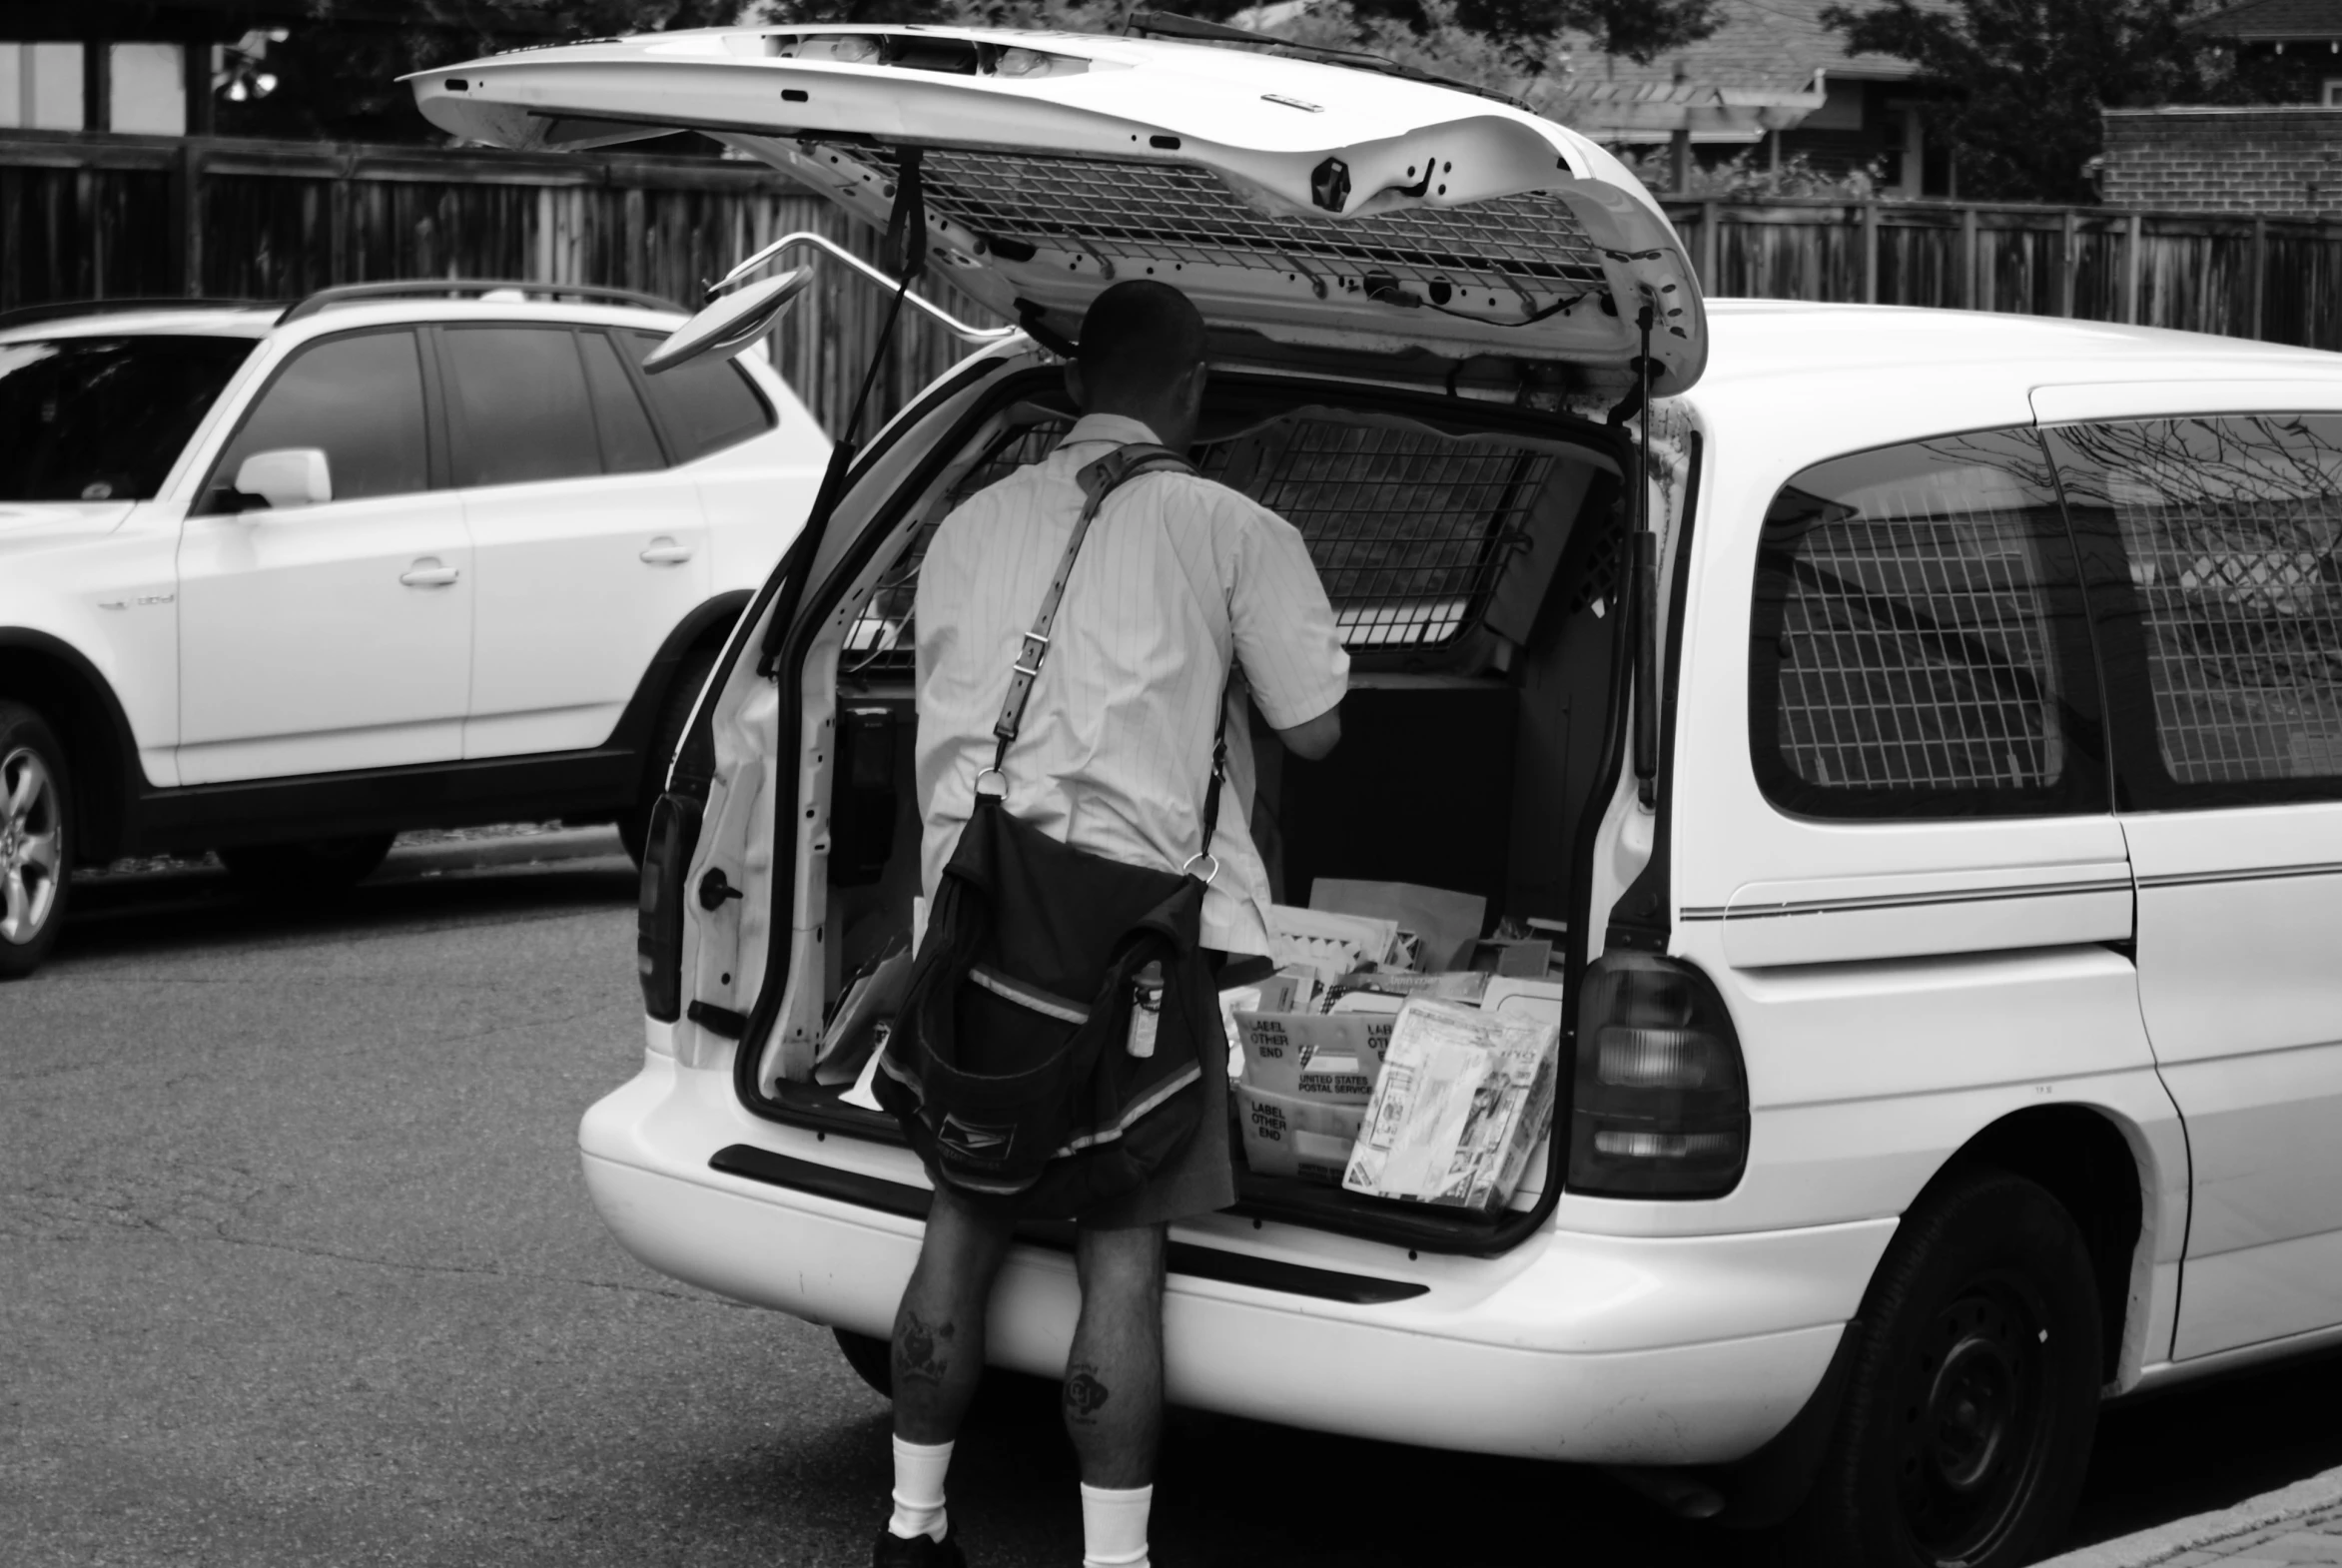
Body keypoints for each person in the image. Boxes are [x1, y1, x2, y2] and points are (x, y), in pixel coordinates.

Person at [876, 279, 1349, 1568]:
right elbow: (1315, 726)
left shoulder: (970, 521)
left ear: (1083, 382)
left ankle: (913, 1529)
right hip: (1131, 932)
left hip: (972, 916)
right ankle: (1114, 1559)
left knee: (962, 1216)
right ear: (1191, 388)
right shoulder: (1232, 528)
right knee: (1121, 1252)